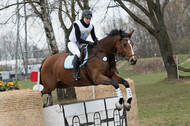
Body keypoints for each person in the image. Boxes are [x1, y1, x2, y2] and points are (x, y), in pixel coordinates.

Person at [68, 10, 98, 81]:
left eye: (89, 19)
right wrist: (88, 42)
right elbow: (78, 39)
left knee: (90, 52)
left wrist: (97, 42)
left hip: (82, 43)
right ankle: (75, 74)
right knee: (78, 54)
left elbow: (94, 37)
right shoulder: (77, 24)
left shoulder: (91, 26)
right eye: (87, 18)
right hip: (72, 43)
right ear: (83, 17)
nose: (88, 20)